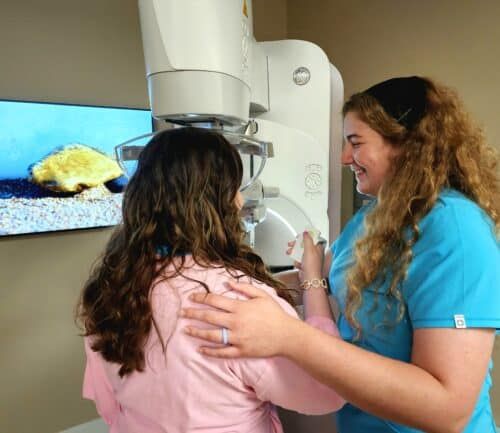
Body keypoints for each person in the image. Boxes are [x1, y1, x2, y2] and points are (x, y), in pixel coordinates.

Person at [181, 76, 500, 433]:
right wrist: (215, 283)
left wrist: (288, 336)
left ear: (407, 145)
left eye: (356, 143)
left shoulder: (455, 230)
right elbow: (322, 281)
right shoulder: (371, 218)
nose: (345, 158)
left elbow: (447, 409)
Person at [76, 126, 344, 433]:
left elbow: (109, 406)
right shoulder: (242, 302)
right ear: (215, 203)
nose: (241, 201)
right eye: (235, 188)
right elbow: (327, 393)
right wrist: (313, 283)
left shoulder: (111, 288)